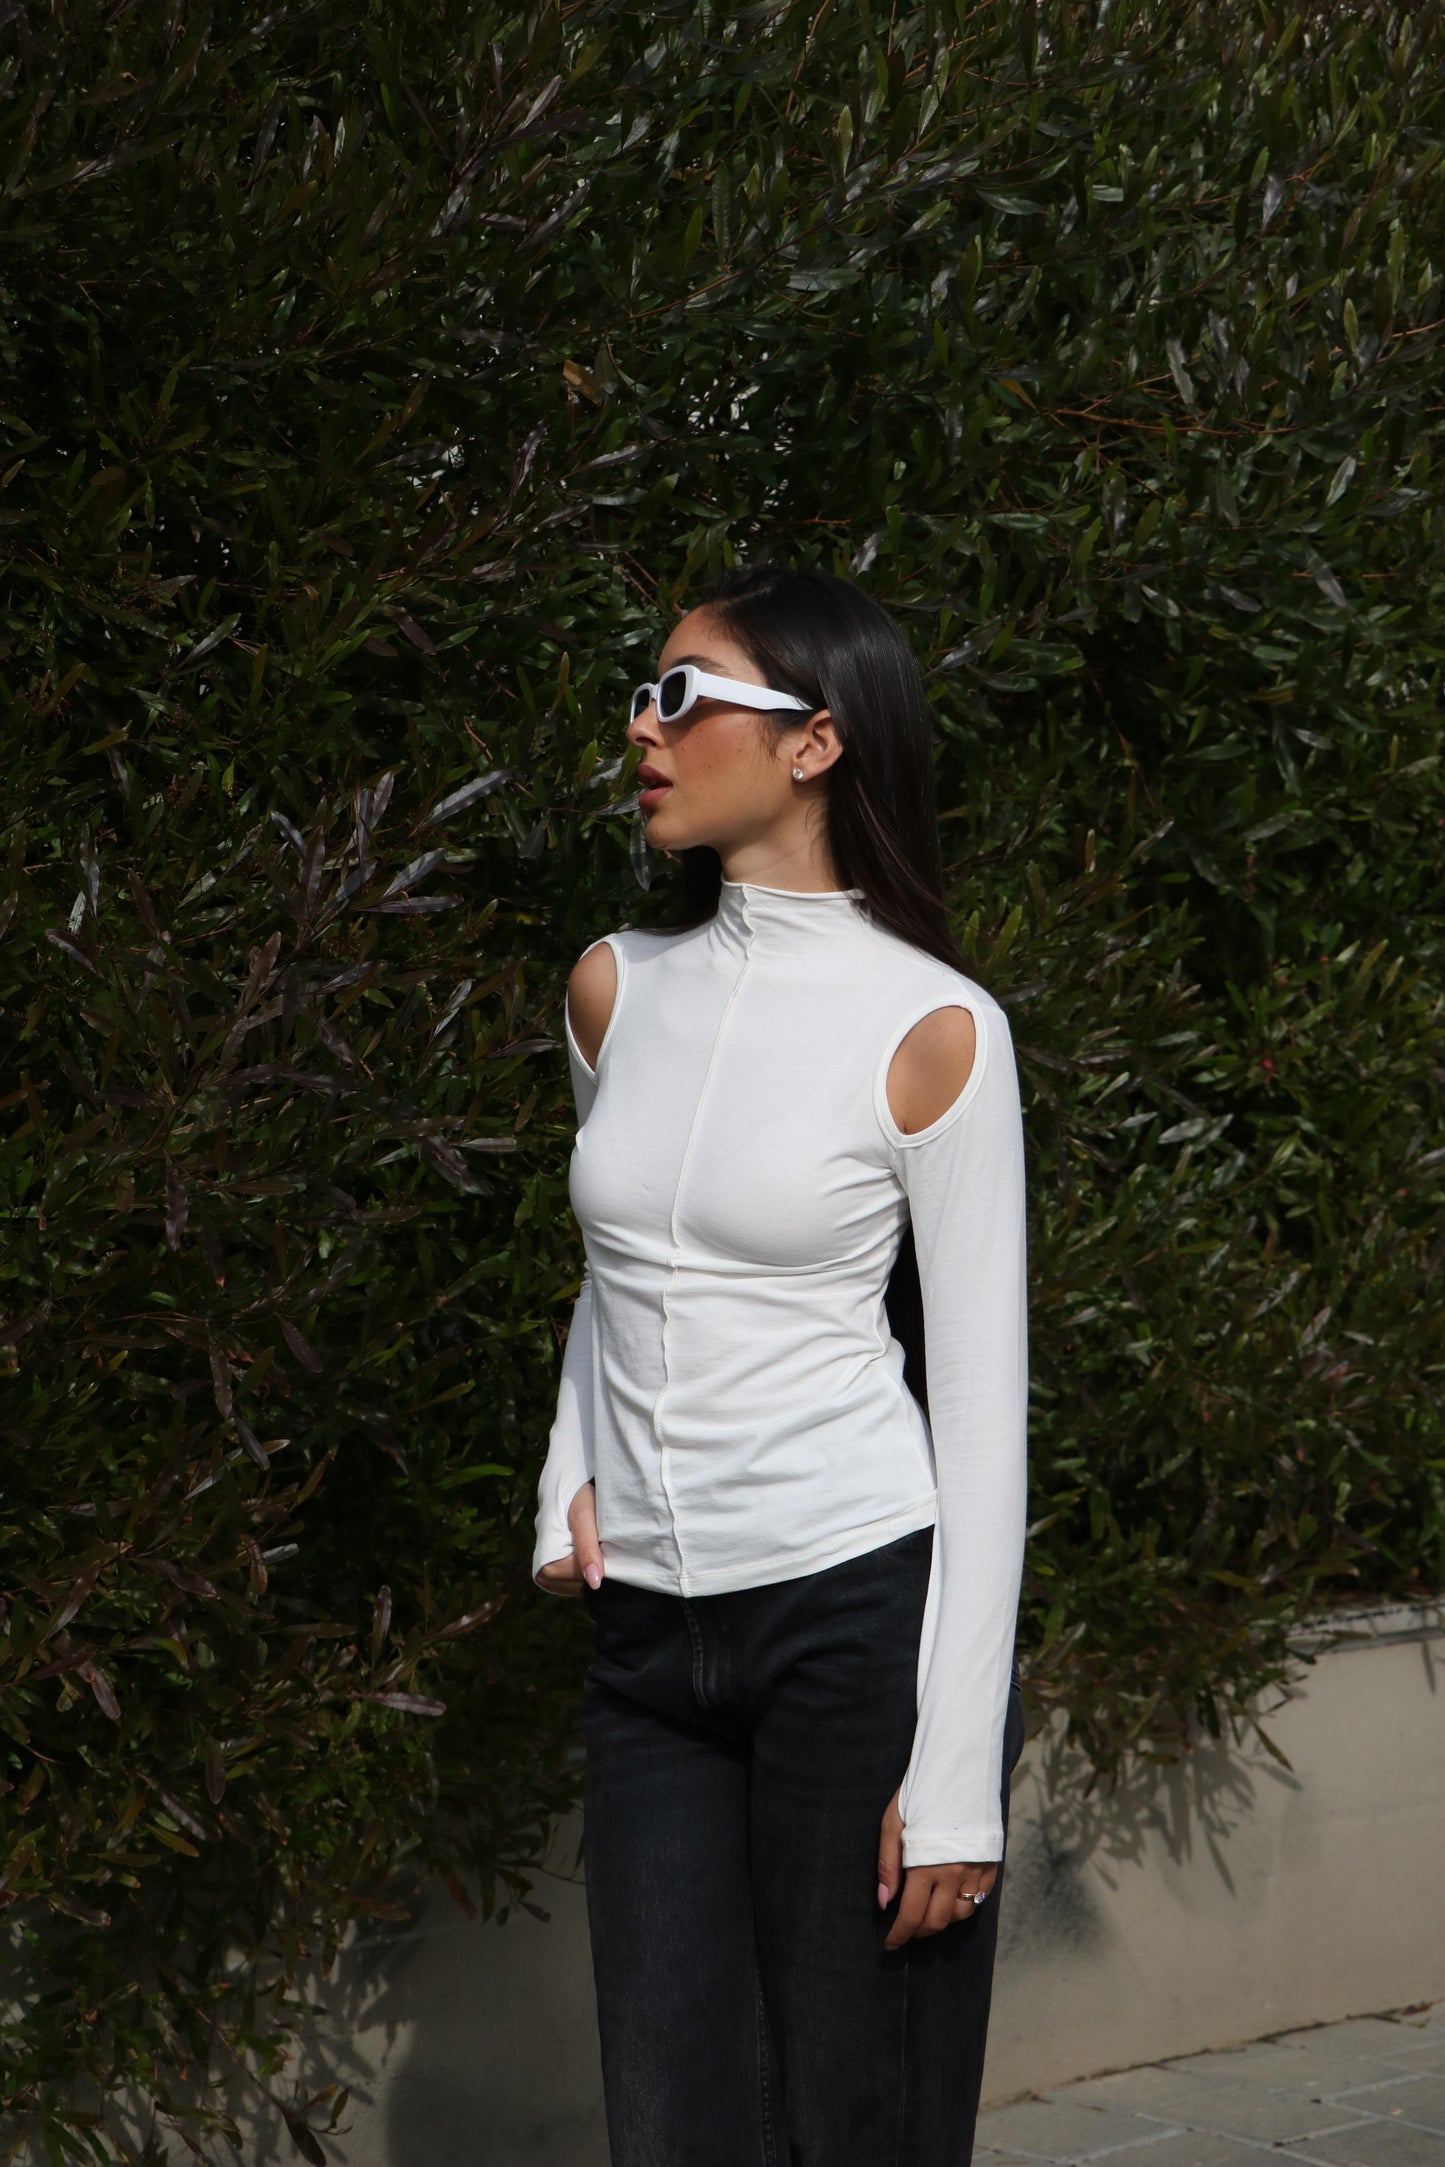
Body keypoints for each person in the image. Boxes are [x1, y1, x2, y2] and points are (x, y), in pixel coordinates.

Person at [531, 562, 1029, 2166]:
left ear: (814, 742)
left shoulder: (934, 1028)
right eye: (642, 692)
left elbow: (982, 1418)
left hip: (851, 1615)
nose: (643, 727)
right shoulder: (616, 987)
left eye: (682, 697)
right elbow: (616, 1264)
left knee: (855, 2120)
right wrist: (566, 1480)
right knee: (670, 2120)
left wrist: (955, 1778)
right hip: (647, 1641)